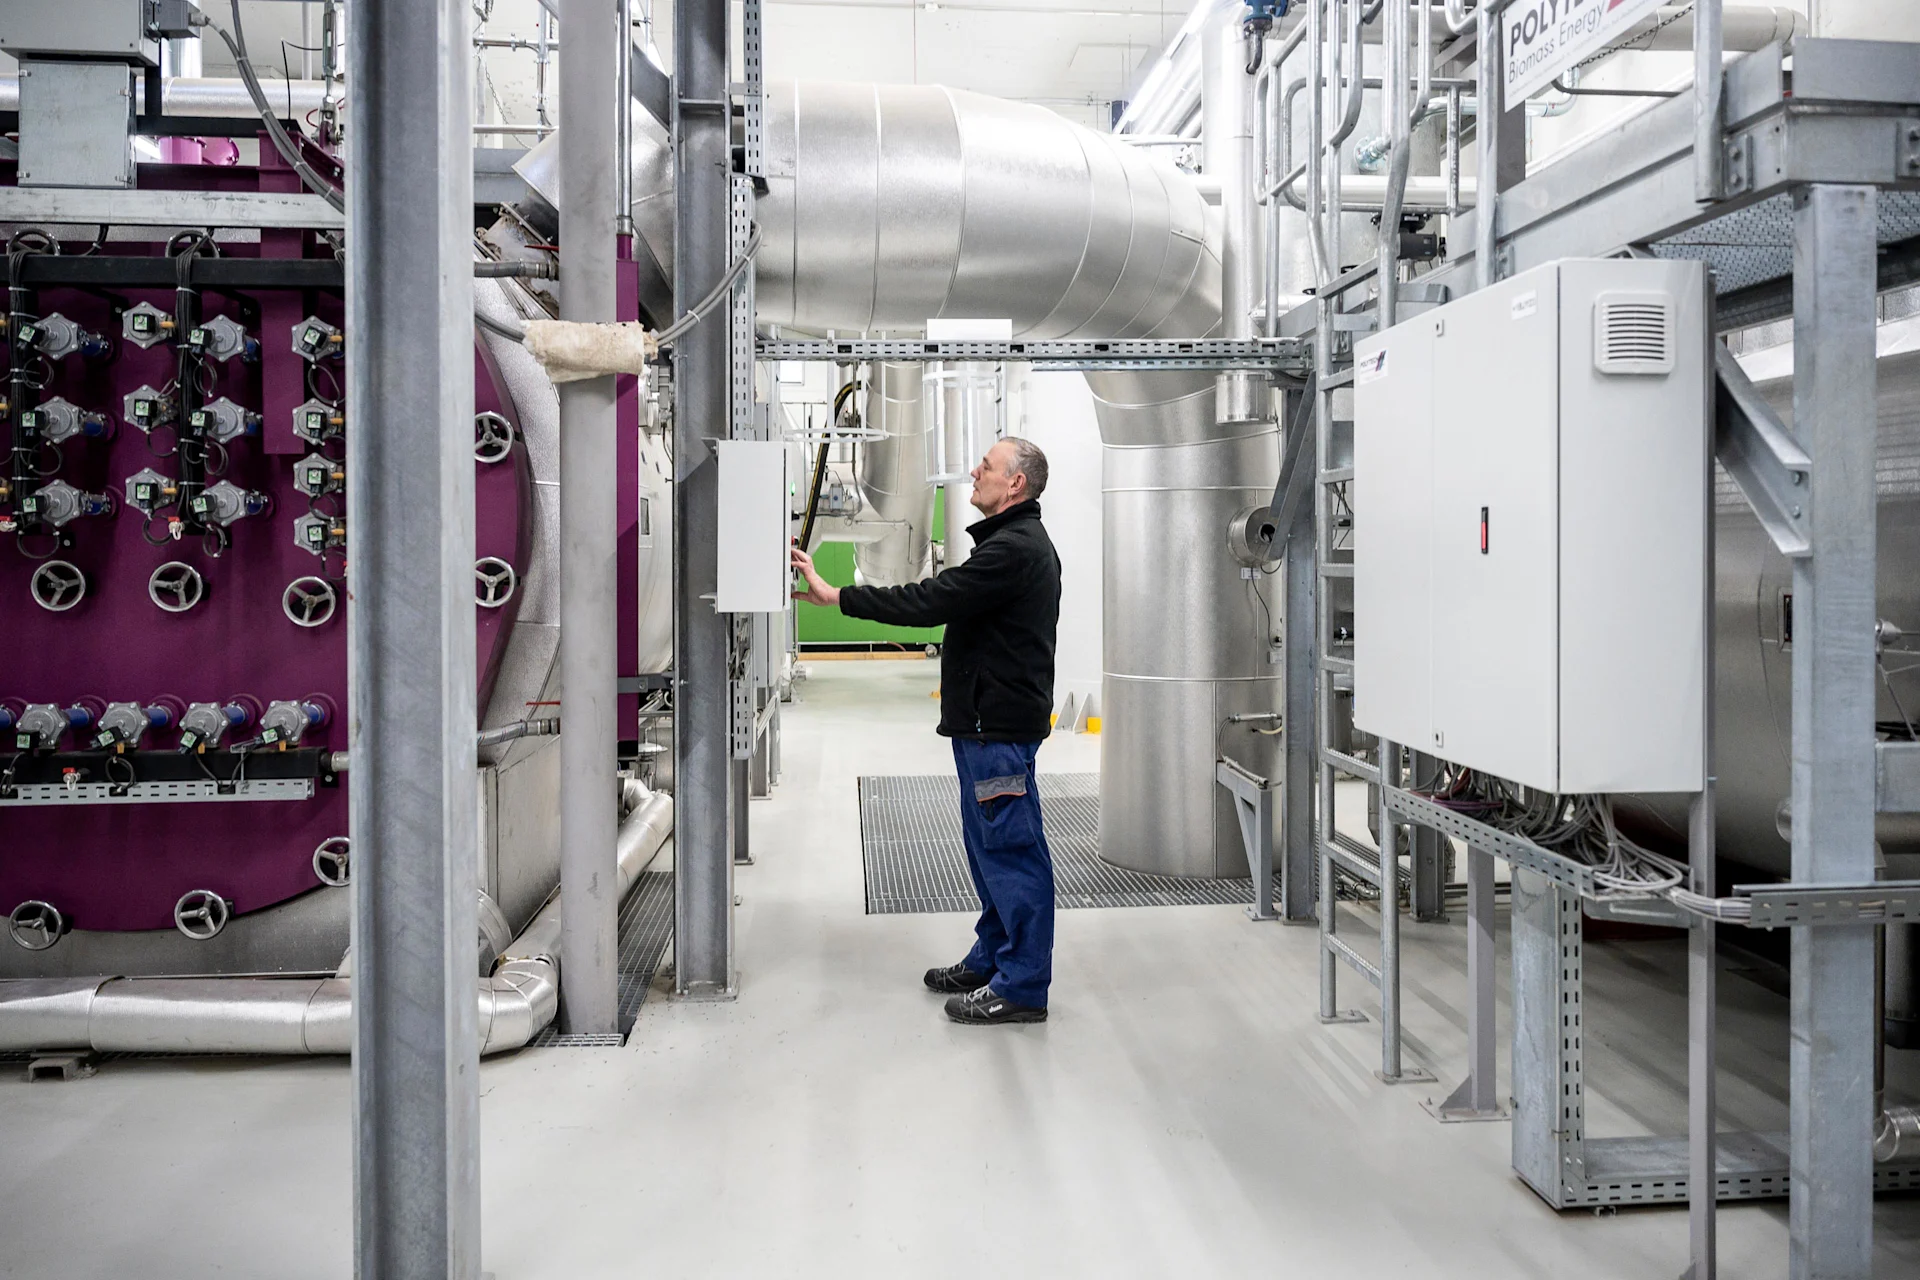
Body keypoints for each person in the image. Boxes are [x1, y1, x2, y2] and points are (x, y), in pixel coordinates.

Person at [791, 437, 1062, 1025]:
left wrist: (838, 596)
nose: (974, 472)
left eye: (986, 467)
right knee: (989, 847)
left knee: (1011, 851)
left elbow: (930, 599)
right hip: (986, 727)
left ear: (1015, 484)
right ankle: (994, 956)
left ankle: (1022, 984)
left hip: (998, 731)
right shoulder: (1009, 545)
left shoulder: (1014, 550)